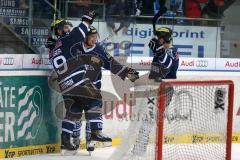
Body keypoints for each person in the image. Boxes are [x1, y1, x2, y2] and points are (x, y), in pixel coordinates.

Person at [50, 10, 139, 153]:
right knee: (95, 99)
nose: (94, 39)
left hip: (65, 85)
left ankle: (66, 139)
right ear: (83, 37)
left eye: (95, 36)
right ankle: (96, 132)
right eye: (90, 36)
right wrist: (87, 19)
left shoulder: (56, 47)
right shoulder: (73, 43)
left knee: (74, 111)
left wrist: (127, 72)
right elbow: (80, 29)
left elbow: (112, 64)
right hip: (78, 81)